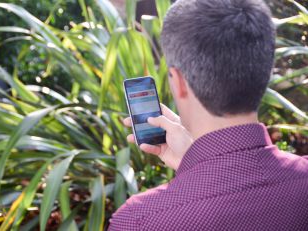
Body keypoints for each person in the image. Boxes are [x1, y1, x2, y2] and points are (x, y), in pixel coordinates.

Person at [108, 0, 308, 230]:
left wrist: (199, 167)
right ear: (265, 70)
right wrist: (193, 162)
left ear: (179, 82)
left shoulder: (140, 221)